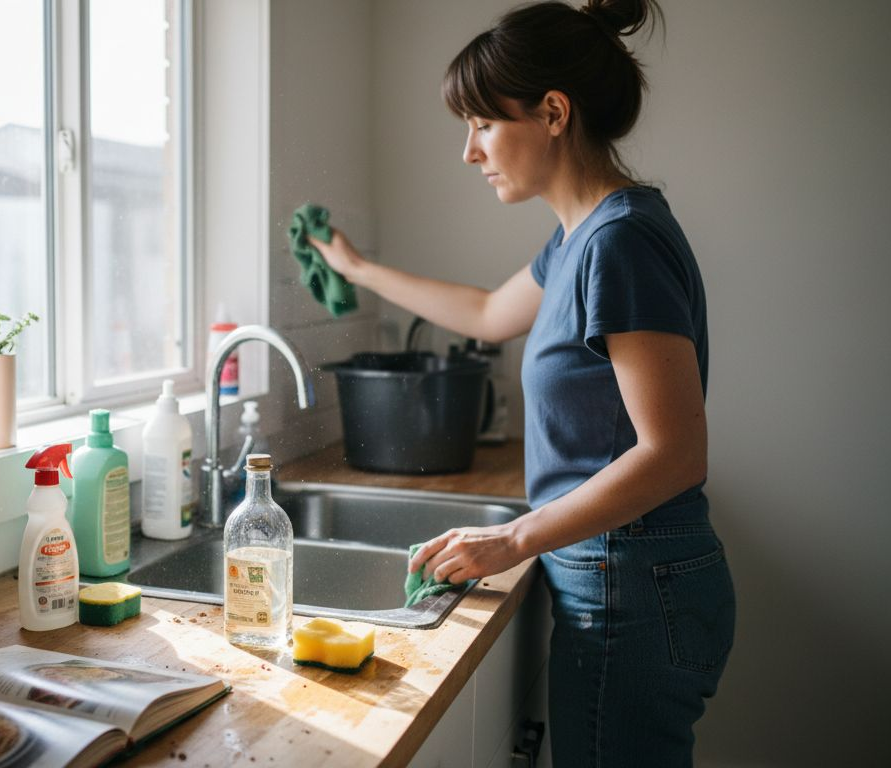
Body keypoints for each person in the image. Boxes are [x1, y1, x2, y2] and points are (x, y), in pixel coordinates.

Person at [308, 1, 735, 765]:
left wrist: (511, 538)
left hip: (630, 578)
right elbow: (484, 312)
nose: (468, 151)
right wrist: (358, 269)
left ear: (553, 113)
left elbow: (674, 453)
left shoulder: (619, 241)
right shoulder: (579, 237)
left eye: (482, 124)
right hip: (622, 571)